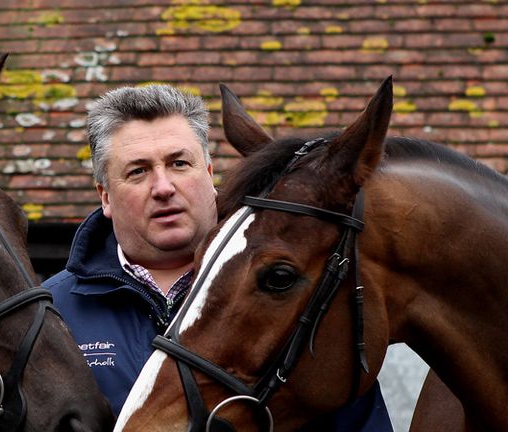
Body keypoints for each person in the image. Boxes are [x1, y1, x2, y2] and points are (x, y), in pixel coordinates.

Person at [43, 84, 392, 430]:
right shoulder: (49, 314)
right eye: (138, 171)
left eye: (179, 163)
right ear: (105, 196)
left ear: (209, 174)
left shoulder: (297, 285)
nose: (163, 187)